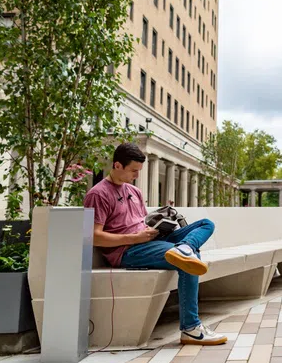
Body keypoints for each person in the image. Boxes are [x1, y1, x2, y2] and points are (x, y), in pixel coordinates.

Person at [84, 143, 226, 345]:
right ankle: (190, 328)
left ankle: (184, 247)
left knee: (205, 224)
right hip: (128, 251)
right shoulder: (98, 194)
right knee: (189, 261)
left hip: (149, 241)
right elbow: (95, 236)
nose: (136, 175)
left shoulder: (134, 191)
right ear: (117, 165)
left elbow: (140, 222)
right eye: (133, 170)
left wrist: (156, 228)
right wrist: (134, 238)